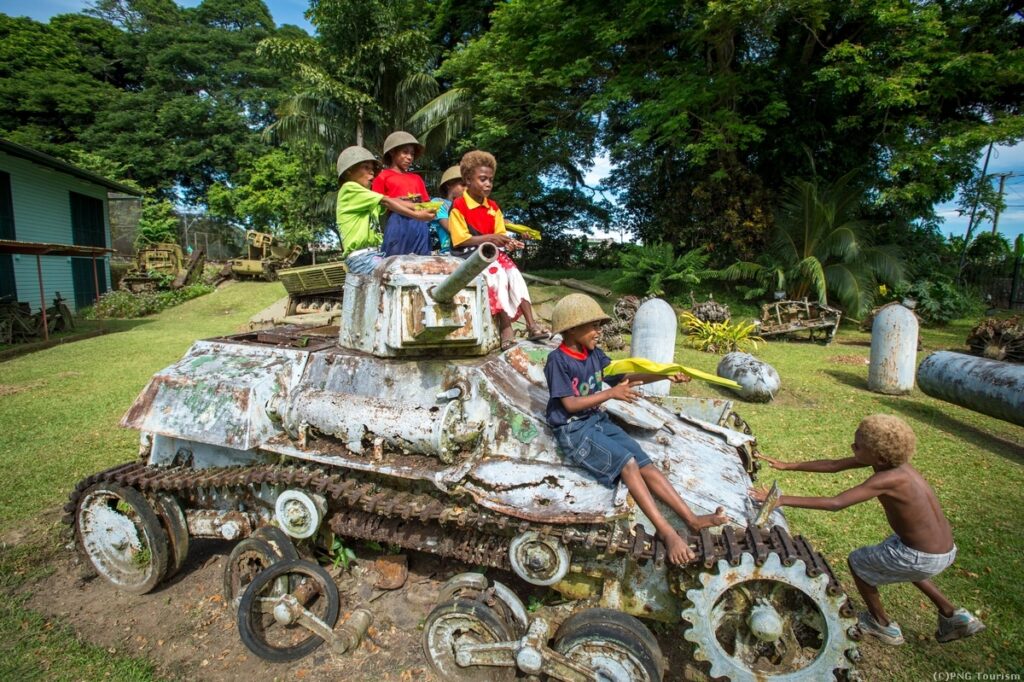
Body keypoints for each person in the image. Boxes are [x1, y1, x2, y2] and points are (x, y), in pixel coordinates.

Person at [750, 414, 985, 646]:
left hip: (920, 555)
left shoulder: (888, 478)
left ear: (879, 457)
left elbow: (836, 503)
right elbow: (834, 465)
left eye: (858, 446)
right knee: (900, 562)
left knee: (859, 562)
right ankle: (952, 614)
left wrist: (781, 500)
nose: (852, 447)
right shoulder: (894, 463)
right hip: (940, 548)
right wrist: (788, 466)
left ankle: (881, 624)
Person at [545, 293, 728, 564]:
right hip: (574, 430)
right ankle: (666, 532)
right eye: (594, 326)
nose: (599, 331)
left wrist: (664, 374)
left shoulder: (593, 354)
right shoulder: (557, 360)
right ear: (572, 329)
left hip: (595, 420)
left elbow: (625, 377)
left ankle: (692, 519)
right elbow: (570, 404)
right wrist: (610, 394)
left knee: (645, 463)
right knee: (628, 464)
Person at [448, 150, 549, 349]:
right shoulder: (458, 206)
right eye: (482, 179)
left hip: (491, 252)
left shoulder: (493, 207)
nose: (488, 184)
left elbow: (500, 235)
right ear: (468, 180)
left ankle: (531, 324)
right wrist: (491, 238)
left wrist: (507, 242)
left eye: (490, 180)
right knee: (497, 275)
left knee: (514, 274)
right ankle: (506, 326)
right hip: (469, 254)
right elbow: (460, 240)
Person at [335, 145, 434, 274]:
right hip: (361, 258)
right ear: (349, 171)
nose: (371, 172)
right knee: (403, 272)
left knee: (411, 270)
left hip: (374, 255)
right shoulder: (349, 188)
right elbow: (387, 201)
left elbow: (391, 201)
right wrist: (418, 215)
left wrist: (419, 207)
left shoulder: (366, 199)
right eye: (366, 167)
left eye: (372, 169)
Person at [371, 131, 434, 257]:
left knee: (423, 262)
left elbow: (427, 204)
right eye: (405, 152)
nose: (409, 157)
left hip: (420, 225)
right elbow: (379, 203)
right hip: (397, 224)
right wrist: (400, 202)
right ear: (392, 152)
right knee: (395, 262)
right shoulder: (382, 177)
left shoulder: (417, 178)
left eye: (412, 154)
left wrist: (430, 209)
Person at [429, 165, 464, 255]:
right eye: (463, 185)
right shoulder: (438, 203)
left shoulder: (468, 207)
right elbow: (452, 229)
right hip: (447, 252)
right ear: (449, 185)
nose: (467, 189)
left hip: (468, 250)